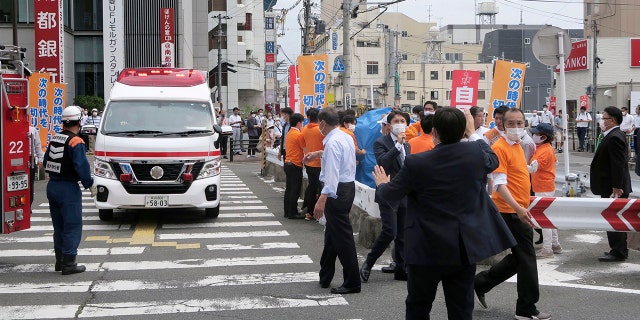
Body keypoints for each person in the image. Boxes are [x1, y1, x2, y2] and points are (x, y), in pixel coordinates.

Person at [372, 107, 515, 320]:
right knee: (460, 309)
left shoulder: (417, 162)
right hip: (462, 247)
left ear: (435, 131)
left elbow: (389, 196)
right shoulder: (475, 154)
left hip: (425, 247)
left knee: (418, 306)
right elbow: (492, 158)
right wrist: (472, 133)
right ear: (462, 131)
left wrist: (382, 184)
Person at [474, 108, 551, 320]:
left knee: (520, 258)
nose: (516, 127)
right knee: (527, 259)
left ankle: (480, 282)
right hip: (510, 211)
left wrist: (528, 170)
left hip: (518, 209)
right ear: (502, 125)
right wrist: (518, 208)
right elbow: (499, 184)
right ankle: (526, 309)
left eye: (520, 123)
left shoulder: (517, 145)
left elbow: (516, 173)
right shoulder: (499, 147)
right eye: (511, 123)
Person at [304, 107, 360, 295]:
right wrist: (318, 154)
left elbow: (332, 174)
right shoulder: (343, 136)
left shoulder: (334, 141)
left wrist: (322, 198)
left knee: (342, 238)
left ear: (322, 123)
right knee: (332, 234)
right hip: (346, 188)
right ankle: (325, 275)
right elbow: (339, 158)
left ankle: (352, 281)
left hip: (335, 191)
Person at [43, 106, 94, 275]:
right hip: (68, 188)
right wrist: (90, 183)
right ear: (79, 122)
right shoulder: (76, 141)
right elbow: (82, 167)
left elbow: (45, 162)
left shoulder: (55, 138)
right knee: (72, 225)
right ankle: (69, 263)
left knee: (59, 227)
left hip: (53, 186)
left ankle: (60, 261)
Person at [360, 111, 410, 282]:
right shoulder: (381, 142)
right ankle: (368, 262)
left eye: (403, 120)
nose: (400, 123)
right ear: (389, 125)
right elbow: (383, 162)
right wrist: (397, 146)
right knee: (390, 230)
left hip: (404, 193)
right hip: (388, 192)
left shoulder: (407, 144)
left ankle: (401, 268)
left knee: (403, 233)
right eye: (396, 121)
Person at [591, 106, 632, 262]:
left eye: (604, 118)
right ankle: (617, 249)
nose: (602, 120)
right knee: (612, 218)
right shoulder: (610, 135)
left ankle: (619, 251)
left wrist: (616, 186)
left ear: (612, 120)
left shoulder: (615, 136)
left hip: (614, 187)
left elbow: (618, 164)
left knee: (614, 218)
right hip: (610, 185)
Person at [528, 123, 562, 258]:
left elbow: (532, 168)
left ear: (543, 137)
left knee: (544, 219)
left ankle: (548, 249)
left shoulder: (543, 150)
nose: (533, 135)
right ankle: (555, 244)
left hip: (543, 187)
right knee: (549, 217)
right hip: (547, 186)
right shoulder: (547, 148)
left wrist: (516, 165)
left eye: (536, 134)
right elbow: (556, 162)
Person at [300, 108, 324, 221]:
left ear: (308, 117)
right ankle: (320, 214)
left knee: (312, 187)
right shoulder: (322, 130)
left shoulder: (304, 130)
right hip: (321, 163)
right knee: (321, 188)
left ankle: (309, 212)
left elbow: (303, 147)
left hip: (309, 163)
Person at [283, 113, 306, 219]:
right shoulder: (299, 135)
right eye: (302, 123)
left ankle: (287, 211)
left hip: (288, 163)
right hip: (295, 164)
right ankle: (293, 212)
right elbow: (305, 150)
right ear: (298, 123)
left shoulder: (289, 133)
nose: (302, 125)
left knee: (289, 189)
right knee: (295, 190)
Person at [28, 125, 44, 207]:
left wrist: (40, 159)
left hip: (30, 158)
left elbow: (37, 144)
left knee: (30, 183)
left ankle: (29, 205)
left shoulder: (32, 129)